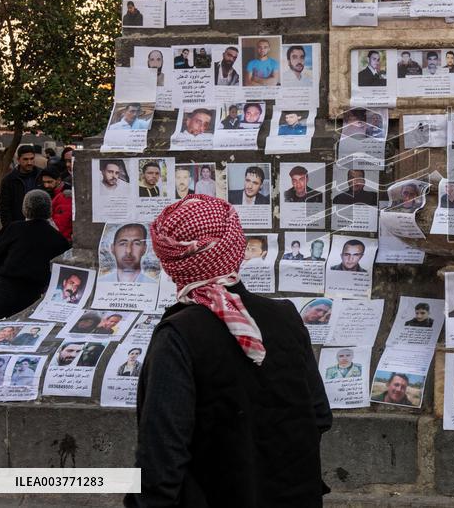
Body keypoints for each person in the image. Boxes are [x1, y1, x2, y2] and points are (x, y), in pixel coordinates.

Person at [128, 195, 331, 506]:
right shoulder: (286, 317)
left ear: (171, 265)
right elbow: (319, 416)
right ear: (237, 249)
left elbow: (161, 457)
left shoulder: (178, 336)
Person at [0, 190, 70, 319]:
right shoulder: (57, 237)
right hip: (34, 293)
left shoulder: (12, 228)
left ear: (25, 209)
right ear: (49, 210)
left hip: (5, 289)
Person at [0, 145, 43, 228]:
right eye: (25, 159)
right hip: (18, 224)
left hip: (40, 224)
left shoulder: (42, 175)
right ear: (18, 160)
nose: (29, 162)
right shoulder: (9, 180)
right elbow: (5, 208)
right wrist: (9, 229)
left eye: (32, 159)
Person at [40, 164, 73, 242]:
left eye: (49, 182)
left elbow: (61, 225)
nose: (46, 185)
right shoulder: (50, 192)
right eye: (44, 182)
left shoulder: (66, 196)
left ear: (58, 180)